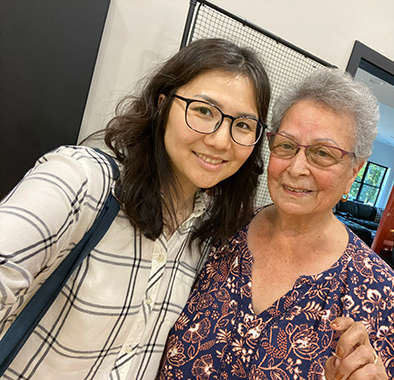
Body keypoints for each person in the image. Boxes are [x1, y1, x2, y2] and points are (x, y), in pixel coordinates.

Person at [0, 38, 270, 379]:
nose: (220, 140)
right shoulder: (81, 180)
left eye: (243, 125)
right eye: (203, 111)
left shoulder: (209, 237)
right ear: (162, 104)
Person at [158, 68, 394, 380]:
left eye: (323, 153)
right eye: (286, 145)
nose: (296, 168)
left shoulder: (384, 296)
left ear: (354, 172)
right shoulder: (216, 231)